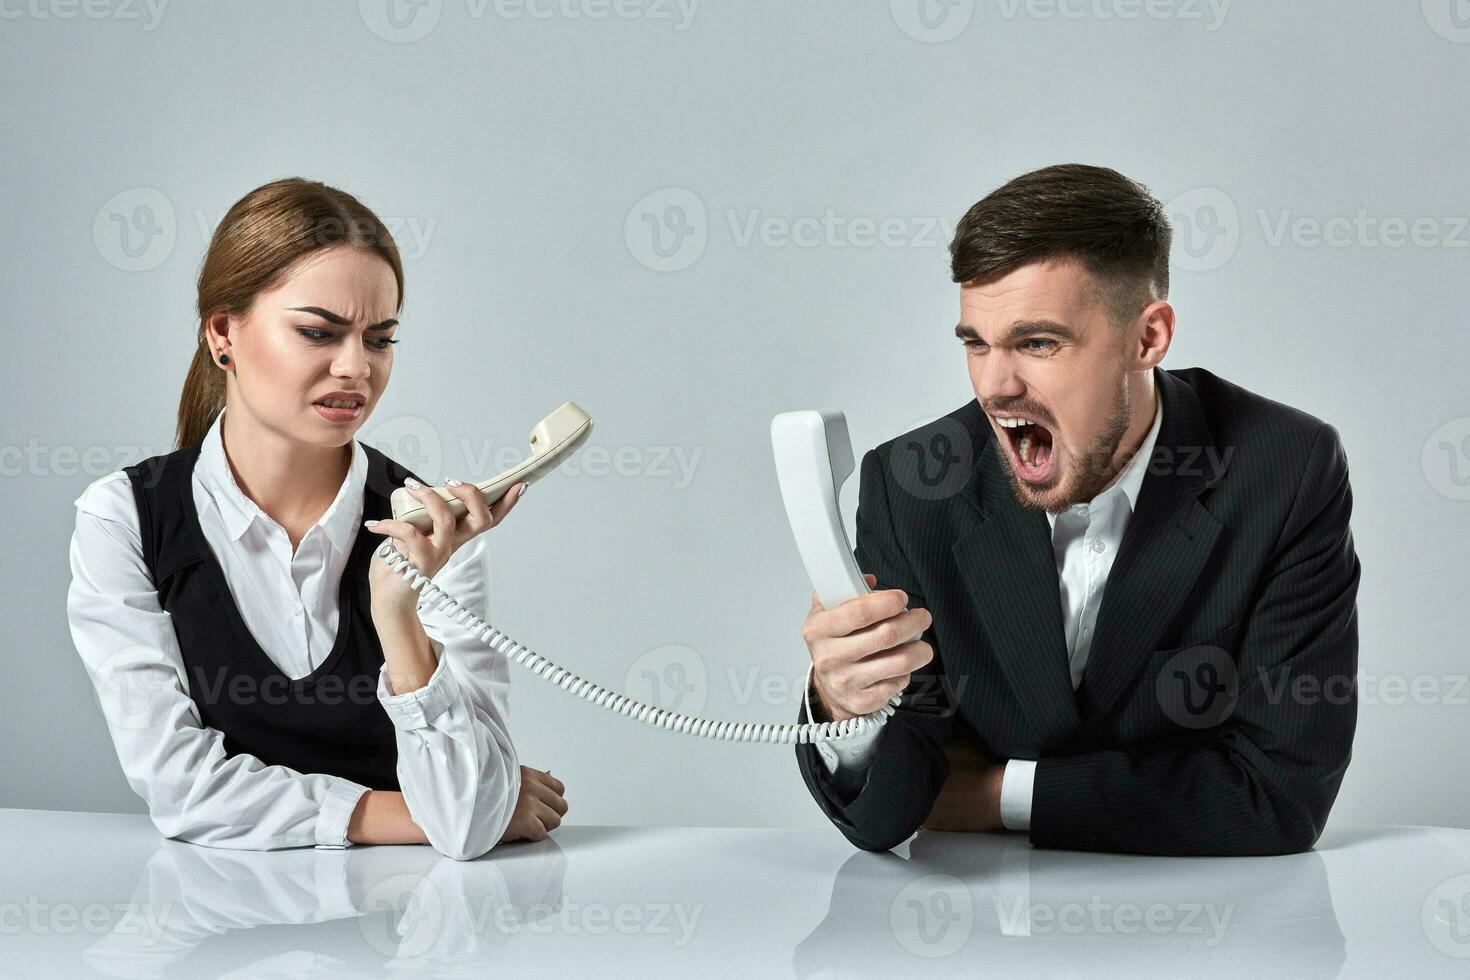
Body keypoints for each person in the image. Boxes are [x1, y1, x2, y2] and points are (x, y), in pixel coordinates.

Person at [795, 163, 1361, 856]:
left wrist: (1002, 795)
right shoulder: (912, 487)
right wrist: (846, 707)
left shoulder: (1285, 470)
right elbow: (888, 815)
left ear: (1148, 338)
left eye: (1038, 343)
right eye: (976, 343)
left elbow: (1277, 799)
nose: (996, 388)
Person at [67, 177, 567, 860]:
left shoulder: (429, 529)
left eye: (381, 338)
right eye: (318, 333)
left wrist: (397, 613)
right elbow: (181, 787)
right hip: (210, 934)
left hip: (413, 938)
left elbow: (470, 822)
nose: (356, 367)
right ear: (223, 333)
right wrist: (410, 812)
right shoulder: (125, 518)